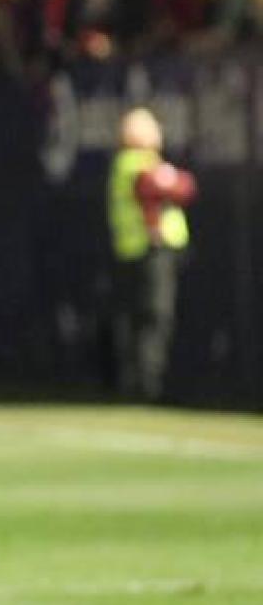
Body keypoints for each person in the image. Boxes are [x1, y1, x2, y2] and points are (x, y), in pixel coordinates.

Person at [108, 108, 195, 401]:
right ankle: (147, 387)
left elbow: (182, 187)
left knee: (139, 318)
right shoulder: (135, 163)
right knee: (154, 317)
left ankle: (139, 383)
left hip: (134, 251)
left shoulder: (135, 163)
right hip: (149, 251)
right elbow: (171, 189)